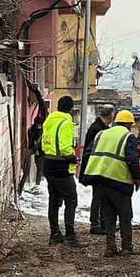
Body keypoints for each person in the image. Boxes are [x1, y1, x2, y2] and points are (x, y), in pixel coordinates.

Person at [82, 110, 140, 257]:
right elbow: (132, 160)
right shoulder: (128, 137)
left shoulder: (102, 134)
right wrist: (137, 178)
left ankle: (110, 246)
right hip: (119, 181)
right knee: (125, 215)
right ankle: (127, 247)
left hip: (100, 180)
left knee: (108, 215)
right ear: (129, 124)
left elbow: (88, 153)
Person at [42, 96, 83, 246]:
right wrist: (72, 157)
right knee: (71, 199)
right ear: (71, 108)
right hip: (61, 166)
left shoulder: (50, 120)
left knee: (53, 200)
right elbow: (65, 146)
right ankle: (70, 235)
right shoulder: (66, 121)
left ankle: (54, 233)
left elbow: (44, 142)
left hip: (48, 163)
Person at [79, 105, 114, 235]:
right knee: (98, 196)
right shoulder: (97, 129)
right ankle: (96, 224)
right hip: (96, 167)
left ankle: (103, 223)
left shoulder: (101, 127)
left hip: (100, 166)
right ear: (110, 115)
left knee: (103, 196)